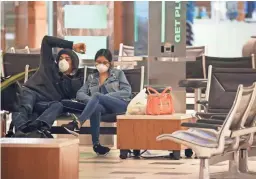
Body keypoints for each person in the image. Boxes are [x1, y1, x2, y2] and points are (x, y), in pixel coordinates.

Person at [12, 35, 86, 138]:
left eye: (67, 59)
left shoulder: (72, 83)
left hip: (44, 103)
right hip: (32, 91)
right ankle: (22, 129)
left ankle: (39, 127)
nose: (62, 61)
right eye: (60, 58)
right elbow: (46, 40)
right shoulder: (48, 66)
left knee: (58, 105)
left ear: (74, 64)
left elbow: (71, 100)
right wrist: (72, 46)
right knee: (25, 104)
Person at [61, 49, 132, 155]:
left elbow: (127, 91)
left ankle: (78, 123)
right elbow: (80, 93)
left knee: (97, 97)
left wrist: (104, 97)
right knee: (96, 106)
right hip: (103, 108)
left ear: (110, 63)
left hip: (120, 105)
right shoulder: (92, 77)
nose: (101, 65)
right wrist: (93, 101)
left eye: (104, 62)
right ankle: (96, 145)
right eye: (98, 62)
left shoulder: (118, 73)